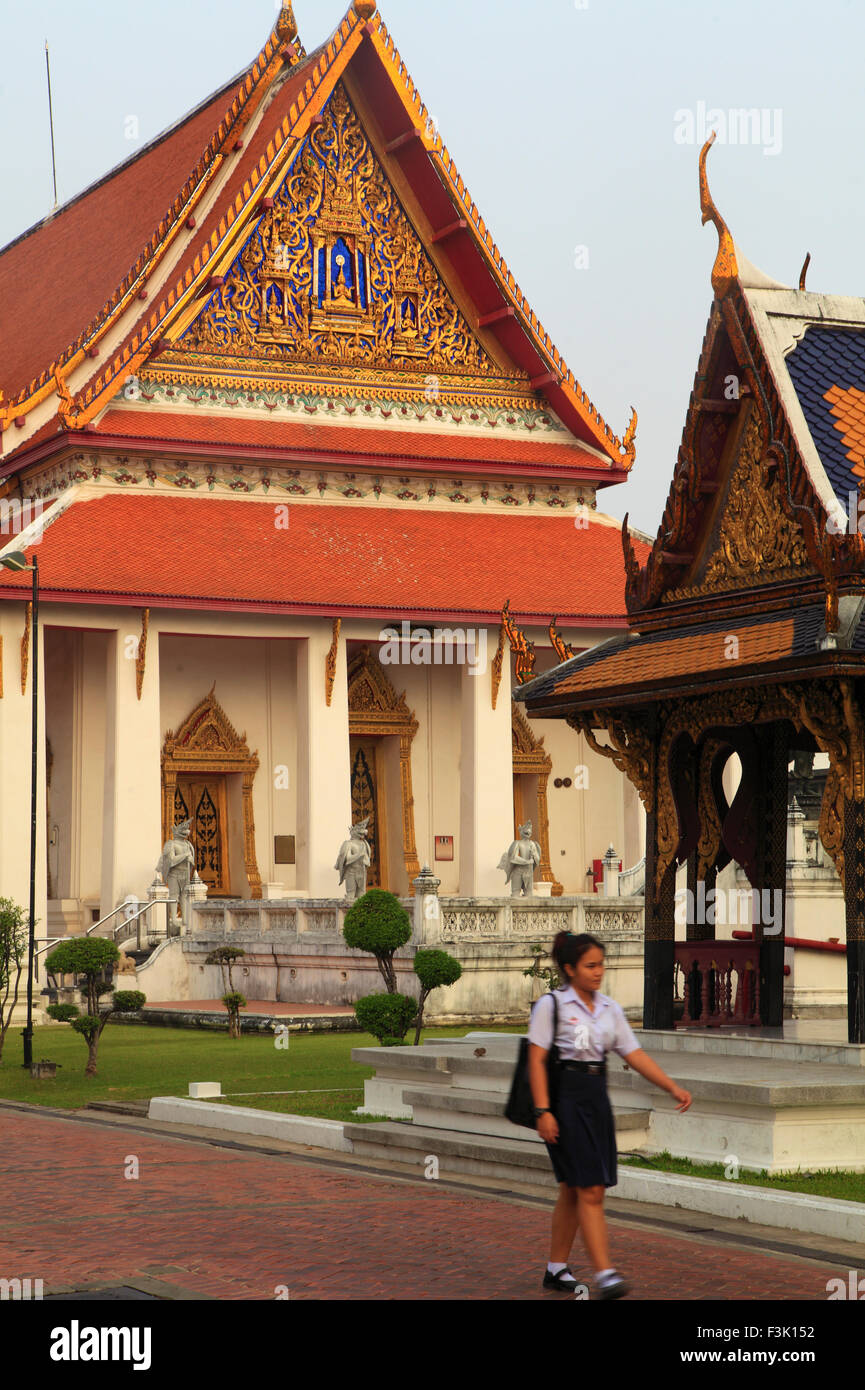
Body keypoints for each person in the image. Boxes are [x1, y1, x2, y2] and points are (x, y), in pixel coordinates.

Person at [527, 931, 692, 1300]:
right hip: (564, 1098)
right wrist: (543, 1111)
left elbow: (633, 1054)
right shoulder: (552, 1006)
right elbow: (536, 1061)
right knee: (590, 1188)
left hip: (596, 1098)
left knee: (573, 1186)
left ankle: (556, 1269)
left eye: (601, 964)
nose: (598, 971)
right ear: (570, 969)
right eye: (590, 965)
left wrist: (671, 1087)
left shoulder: (609, 1009)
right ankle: (605, 1273)